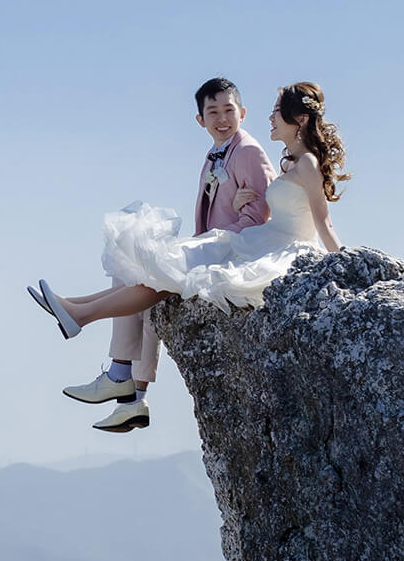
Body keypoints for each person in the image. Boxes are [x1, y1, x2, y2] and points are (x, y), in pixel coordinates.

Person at [30, 80, 347, 407]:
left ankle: (89, 328)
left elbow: (322, 223)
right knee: (156, 269)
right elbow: (266, 202)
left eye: (277, 113)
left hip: (271, 248)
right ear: (201, 119)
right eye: (213, 112)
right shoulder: (289, 162)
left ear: (301, 119)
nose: (271, 119)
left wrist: (346, 268)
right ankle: (79, 312)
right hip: (256, 240)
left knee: (166, 271)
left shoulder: (294, 160)